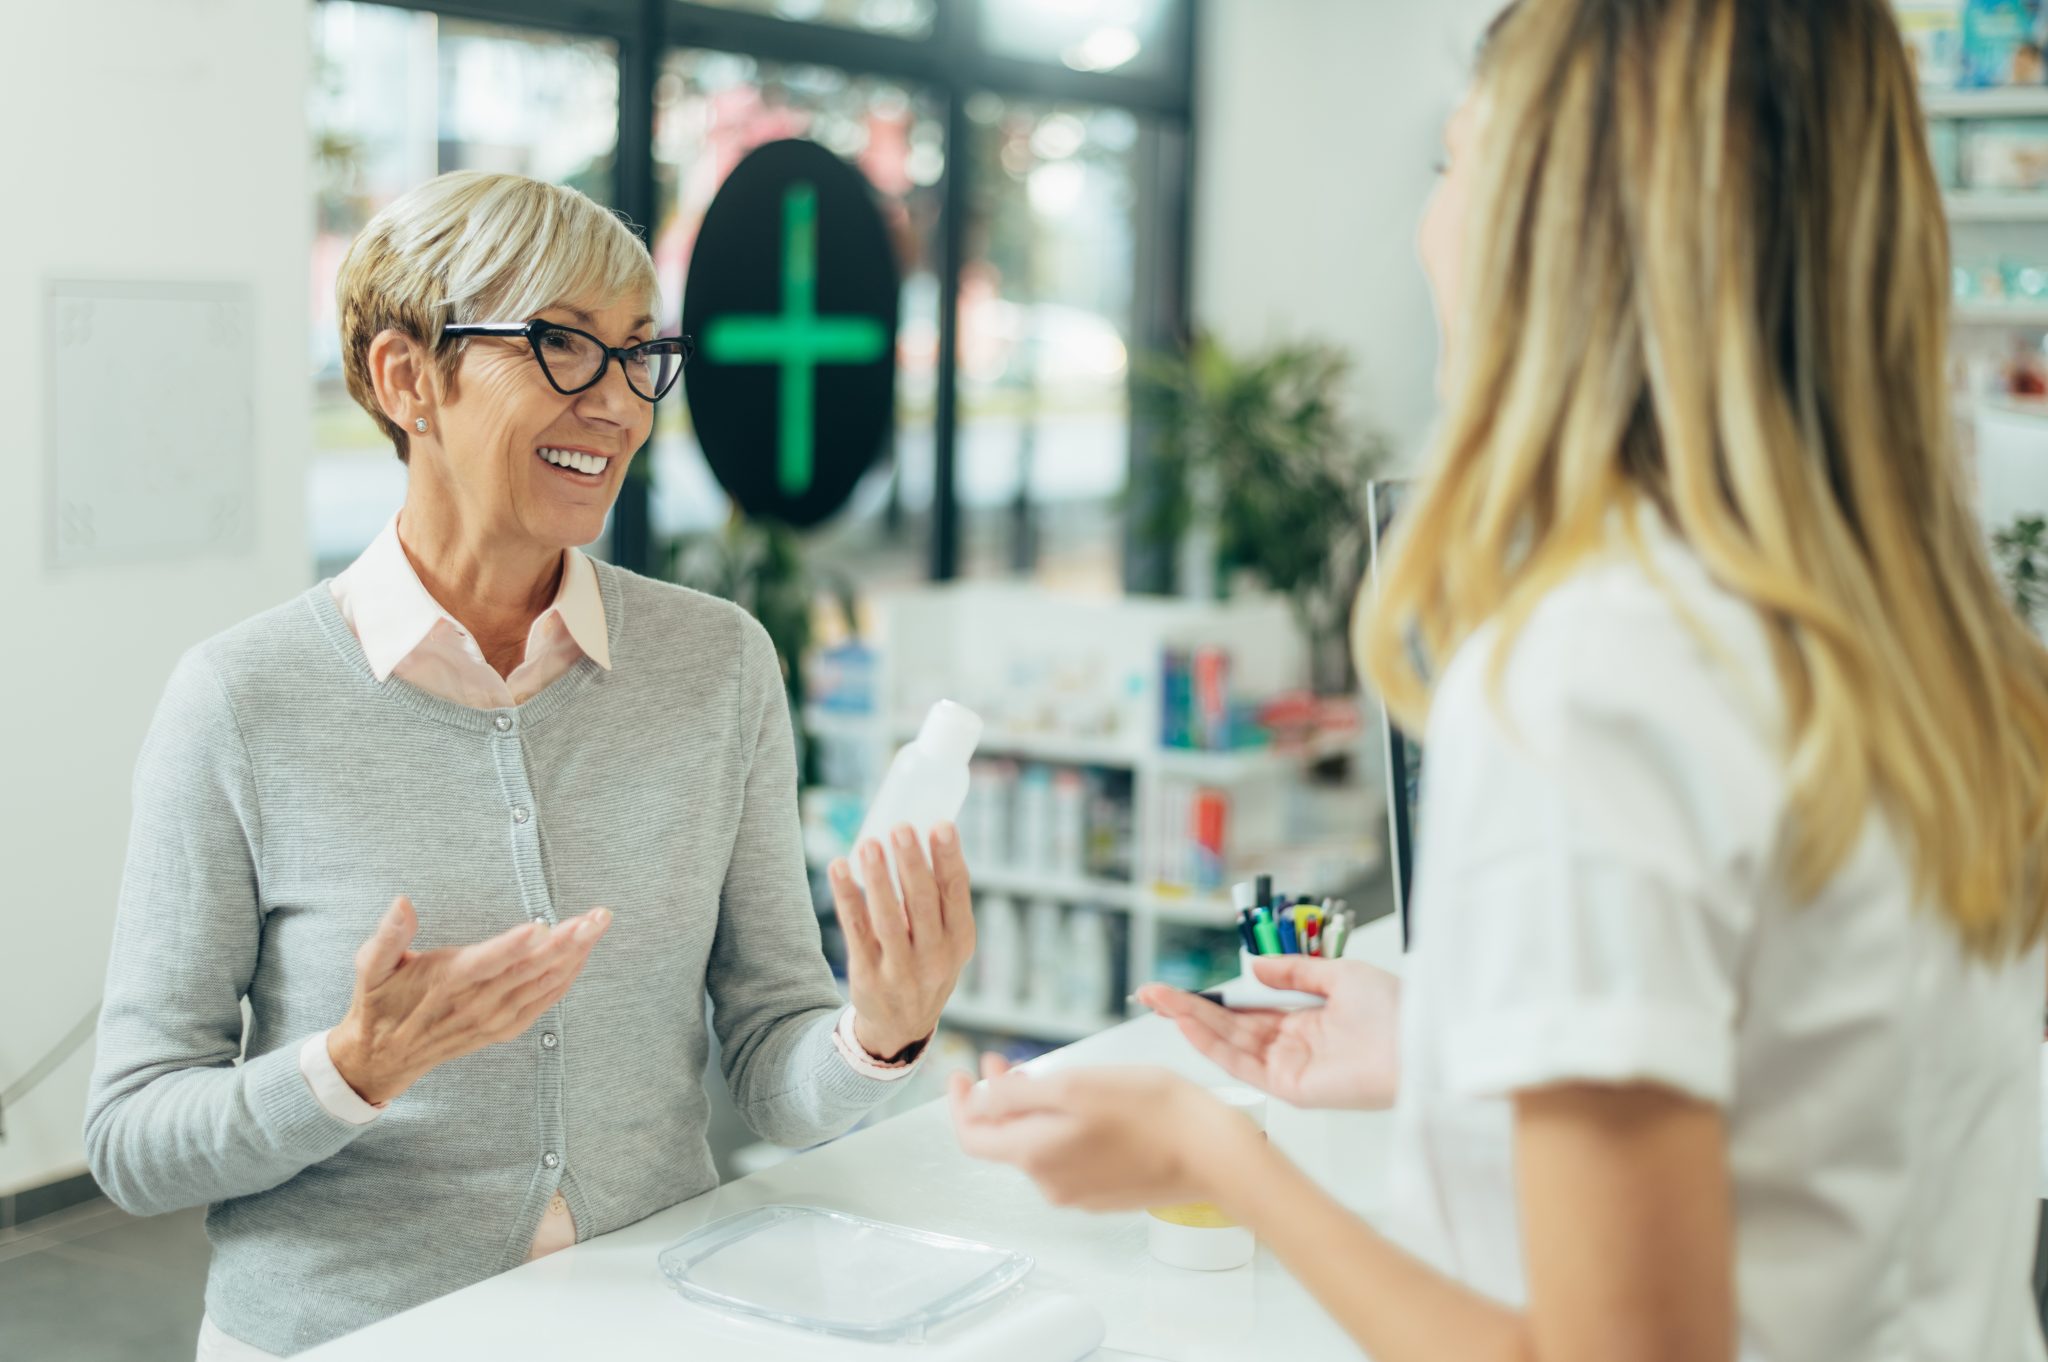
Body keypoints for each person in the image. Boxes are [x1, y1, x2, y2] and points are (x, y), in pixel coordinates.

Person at [950, 2, 2048, 1358]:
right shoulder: (1930, 651)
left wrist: (1218, 1159)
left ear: (1561, 230)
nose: (1430, 225)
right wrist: (1461, 1045)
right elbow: (1821, 1112)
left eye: (1452, 163)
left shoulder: (1592, 675)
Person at [83, 170, 973, 1360]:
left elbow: (769, 1059)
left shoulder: (717, 666)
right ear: (407, 379)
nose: (618, 405)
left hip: (651, 1321)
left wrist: (877, 1034)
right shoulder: (240, 701)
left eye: (640, 354)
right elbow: (133, 1139)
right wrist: (347, 1071)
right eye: (561, 345)